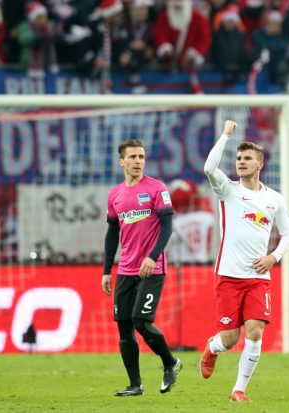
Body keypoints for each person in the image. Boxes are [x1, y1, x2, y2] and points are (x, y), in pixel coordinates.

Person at [199, 120, 289, 402]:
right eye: (239, 158)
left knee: (255, 332)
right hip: (228, 276)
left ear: (260, 164)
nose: (241, 162)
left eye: (247, 158)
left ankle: (238, 390)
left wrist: (273, 257)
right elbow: (208, 168)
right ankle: (212, 348)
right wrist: (226, 136)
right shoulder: (227, 190)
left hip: (258, 278)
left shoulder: (274, 199)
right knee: (229, 339)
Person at [101, 139, 182, 397]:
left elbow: (167, 227)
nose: (138, 161)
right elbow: (112, 232)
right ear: (121, 161)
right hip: (125, 269)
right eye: (133, 157)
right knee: (124, 326)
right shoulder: (115, 194)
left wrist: (152, 256)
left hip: (152, 267)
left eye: (142, 156)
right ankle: (135, 384)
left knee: (141, 321)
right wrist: (106, 270)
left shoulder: (157, 188)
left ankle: (171, 363)